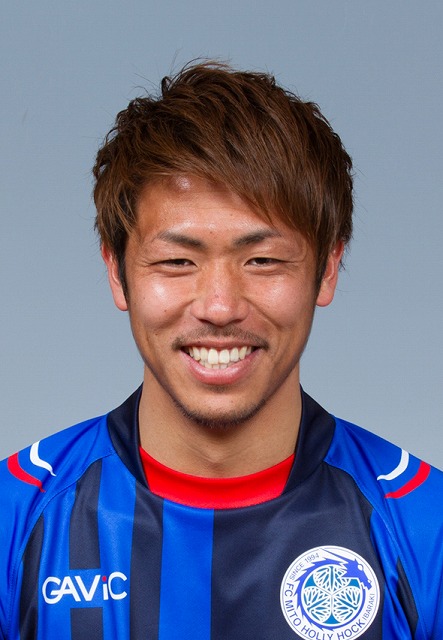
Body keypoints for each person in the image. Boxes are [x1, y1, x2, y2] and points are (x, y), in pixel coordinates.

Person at [0, 61, 441, 640]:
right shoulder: (15, 517)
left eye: (262, 260)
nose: (219, 306)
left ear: (328, 268)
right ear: (116, 271)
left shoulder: (424, 527)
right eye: (176, 261)